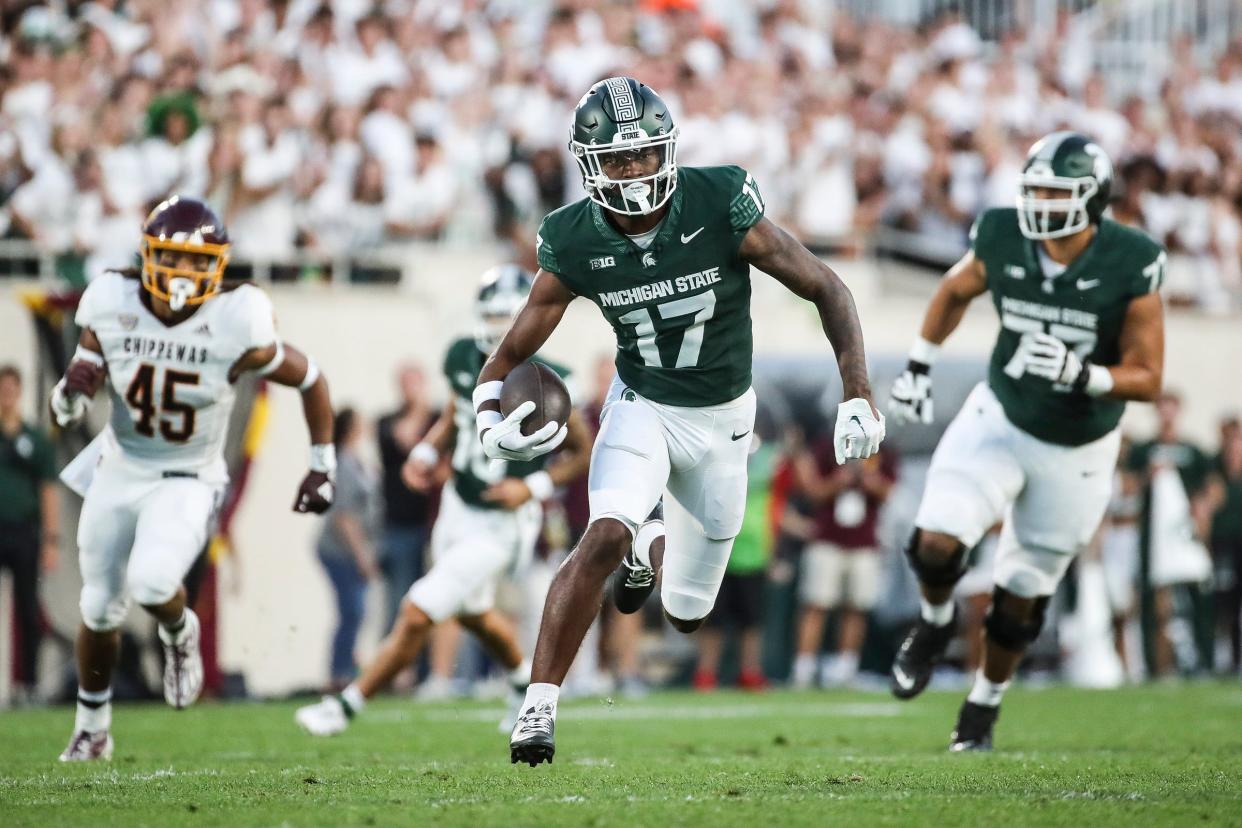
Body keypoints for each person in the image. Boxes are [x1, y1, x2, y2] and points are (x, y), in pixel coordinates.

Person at [472, 77, 884, 766]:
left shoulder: (718, 201)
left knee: (687, 613)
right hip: (643, 405)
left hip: (726, 422)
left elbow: (826, 285)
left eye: (642, 155)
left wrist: (857, 391)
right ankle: (538, 708)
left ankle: (650, 539)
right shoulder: (573, 239)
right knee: (601, 533)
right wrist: (489, 418)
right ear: (589, 164)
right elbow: (510, 353)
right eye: (617, 158)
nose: (633, 170)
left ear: (666, 150)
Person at [887, 131, 1165, 751]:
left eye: (1055, 192)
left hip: (1079, 444)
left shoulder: (1131, 258)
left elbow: (1148, 377)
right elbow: (956, 288)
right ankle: (934, 623)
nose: (1039, 202)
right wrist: (918, 365)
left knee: (1020, 598)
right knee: (935, 543)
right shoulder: (1004, 232)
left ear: (1092, 200)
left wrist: (1083, 374)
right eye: (1034, 188)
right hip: (1001, 415)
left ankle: (982, 707)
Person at [50, 196, 336, 761]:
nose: (184, 275)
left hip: (187, 474)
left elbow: (311, 377)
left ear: (218, 266)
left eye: (198, 263)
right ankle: (92, 726)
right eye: (173, 261)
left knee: (154, 582)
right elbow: (68, 401)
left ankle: (179, 632)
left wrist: (322, 464)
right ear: (148, 258)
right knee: (99, 605)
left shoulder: (237, 317)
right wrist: (68, 396)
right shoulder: (110, 299)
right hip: (119, 465)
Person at [295, 265, 591, 738]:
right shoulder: (461, 356)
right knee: (472, 613)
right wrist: (429, 450)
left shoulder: (549, 378)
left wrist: (532, 487)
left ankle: (345, 706)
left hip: (504, 521)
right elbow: (458, 415)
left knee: (419, 608)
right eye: (493, 316)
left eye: (508, 317)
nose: (499, 329)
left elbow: (584, 451)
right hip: (457, 504)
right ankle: (520, 686)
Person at [1126, 392, 1219, 676]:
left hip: (1185, 534)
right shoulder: (1143, 451)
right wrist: (1147, 478)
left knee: (1199, 593)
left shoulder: (1193, 450)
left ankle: (1205, 660)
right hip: (1152, 538)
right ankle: (1154, 665)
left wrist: (1202, 508)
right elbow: (1128, 487)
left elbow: (1213, 487)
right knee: (1151, 598)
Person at [791, 444, 896, 689]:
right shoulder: (827, 442)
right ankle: (803, 670)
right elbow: (813, 492)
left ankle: (845, 669)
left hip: (864, 541)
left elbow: (888, 493)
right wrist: (840, 480)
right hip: (827, 539)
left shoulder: (882, 446)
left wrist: (868, 479)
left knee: (856, 607)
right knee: (816, 605)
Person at [693, 433, 779, 691]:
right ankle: (706, 672)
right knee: (712, 620)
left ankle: (749, 671)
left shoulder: (766, 459)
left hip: (752, 552)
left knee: (751, 621)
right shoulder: (715, 459)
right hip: (718, 548)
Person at [0, 365, 59, 702]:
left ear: (19, 391)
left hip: (24, 532)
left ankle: (29, 685)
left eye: (11, 389)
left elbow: (48, 490)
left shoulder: (35, 439)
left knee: (27, 609)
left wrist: (51, 540)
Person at [315, 408, 381, 690]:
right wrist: (361, 555)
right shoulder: (343, 462)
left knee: (357, 611)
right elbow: (344, 517)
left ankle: (348, 666)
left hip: (355, 548)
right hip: (339, 550)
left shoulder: (358, 460)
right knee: (351, 610)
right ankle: (339, 673)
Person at [374, 364, 434, 631]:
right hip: (401, 525)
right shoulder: (386, 421)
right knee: (401, 598)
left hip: (433, 523)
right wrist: (420, 406)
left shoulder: (437, 418)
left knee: (433, 603)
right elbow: (407, 441)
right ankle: (397, 668)